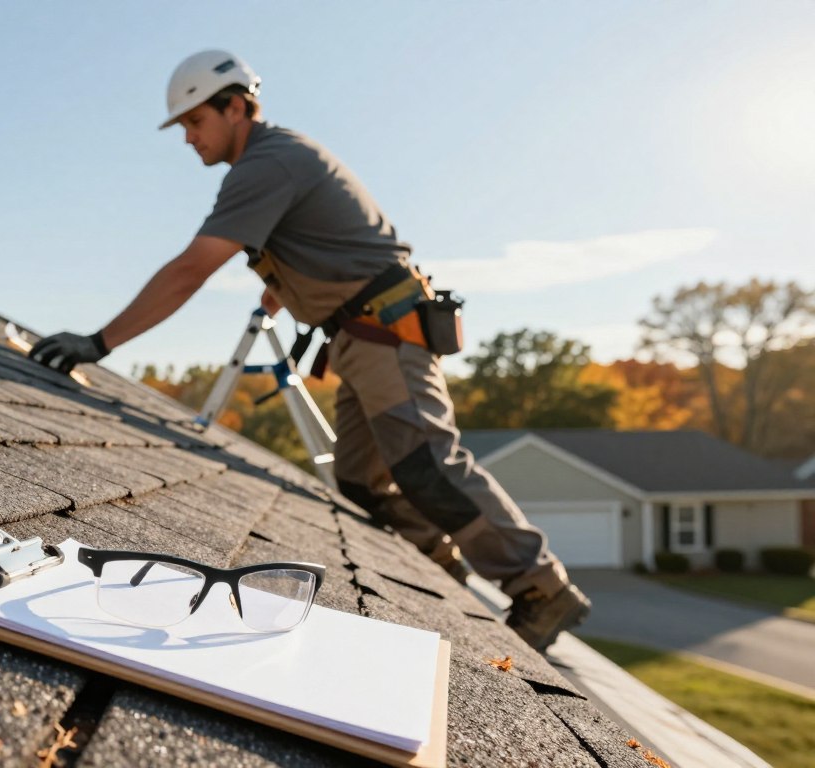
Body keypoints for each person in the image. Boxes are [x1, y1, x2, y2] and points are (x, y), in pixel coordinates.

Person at [29, 50, 590, 651]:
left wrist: (99, 341)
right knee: (361, 480)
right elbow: (319, 244)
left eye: (195, 122)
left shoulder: (268, 165)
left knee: (427, 463)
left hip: (384, 335)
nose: (188, 138)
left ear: (236, 106)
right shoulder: (272, 161)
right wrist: (284, 288)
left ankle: (540, 588)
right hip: (359, 338)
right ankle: (443, 566)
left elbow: (191, 270)